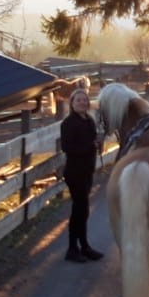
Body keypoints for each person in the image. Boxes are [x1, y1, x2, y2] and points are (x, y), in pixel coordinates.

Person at [59, 87, 105, 262]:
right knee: (79, 210)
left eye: (85, 100)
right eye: (78, 100)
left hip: (87, 170)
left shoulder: (89, 121)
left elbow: (93, 144)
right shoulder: (69, 123)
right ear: (72, 103)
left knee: (82, 210)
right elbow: (67, 147)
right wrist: (90, 145)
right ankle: (73, 248)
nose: (82, 103)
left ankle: (83, 246)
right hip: (74, 172)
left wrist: (98, 144)